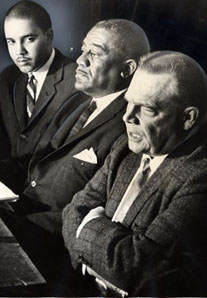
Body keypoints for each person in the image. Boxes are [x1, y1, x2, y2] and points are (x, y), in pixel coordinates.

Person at [0, 19, 150, 294]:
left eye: (95, 53)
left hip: (53, 255)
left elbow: (94, 213)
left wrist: (14, 222)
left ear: (128, 69)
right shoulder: (78, 100)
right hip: (20, 218)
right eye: (82, 50)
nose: (80, 60)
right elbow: (32, 161)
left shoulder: (130, 128)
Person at [62, 51, 207, 296]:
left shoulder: (199, 175)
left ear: (188, 118)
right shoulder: (126, 148)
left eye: (147, 109)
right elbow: (72, 212)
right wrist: (109, 254)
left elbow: (136, 267)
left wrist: (87, 229)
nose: (128, 117)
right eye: (129, 101)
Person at [0, 0, 77, 194]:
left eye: (29, 39)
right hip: (9, 190)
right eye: (11, 41)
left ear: (49, 36)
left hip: (50, 199)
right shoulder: (8, 77)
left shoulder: (77, 80)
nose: (19, 52)